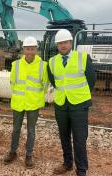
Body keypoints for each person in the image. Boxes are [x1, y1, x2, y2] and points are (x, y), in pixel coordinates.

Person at [47, 29, 96, 176]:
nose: (63, 45)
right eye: (60, 43)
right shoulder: (52, 61)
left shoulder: (82, 57)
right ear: (57, 45)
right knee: (64, 136)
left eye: (65, 42)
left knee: (80, 139)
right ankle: (67, 164)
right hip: (61, 105)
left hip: (79, 105)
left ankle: (81, 170)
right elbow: (53, 81)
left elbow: (91, 80)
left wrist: (78, 94)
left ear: (71, 43)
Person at [3, 36, 48, 168]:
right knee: (15, 129)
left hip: (33, 104)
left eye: (32, 49)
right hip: (18, 103)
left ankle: (29, 155)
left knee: (31, 131)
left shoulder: (42, 66)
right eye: (27, 49)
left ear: (36, 50)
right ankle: (13, 151)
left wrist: (35, 97)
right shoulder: (15, 65)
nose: (30, 51)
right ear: (23, 50)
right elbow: (13, 83)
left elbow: (45, 85)